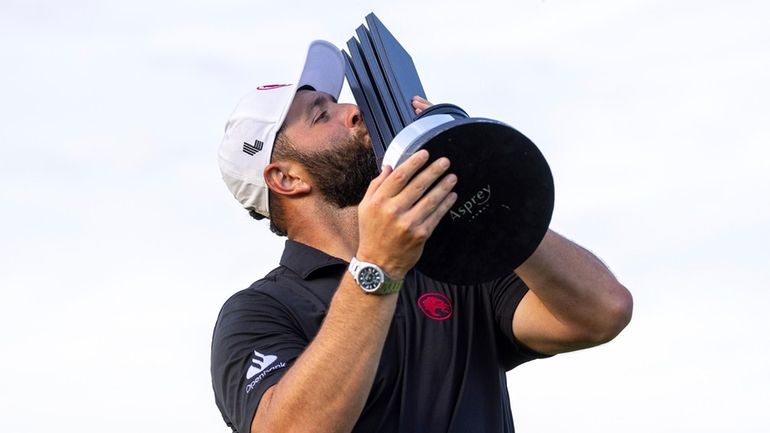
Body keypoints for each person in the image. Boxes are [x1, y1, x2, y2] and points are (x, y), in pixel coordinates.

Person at [211, 40, 633, 433]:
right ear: (286, 178)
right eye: (321, 115)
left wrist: (478, 178)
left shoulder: (454, 257)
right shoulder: (259, 312)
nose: (354, 112)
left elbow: (602, 312)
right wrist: (379, 266)